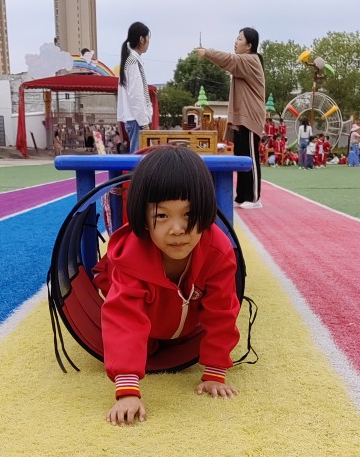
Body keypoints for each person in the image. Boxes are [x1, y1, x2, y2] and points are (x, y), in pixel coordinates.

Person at [94, 147, 240, 426]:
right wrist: (127, 391)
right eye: (162, 216)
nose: (178, 229)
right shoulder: (132, 256)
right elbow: (123, 317)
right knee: (134, 338)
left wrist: (215, 371)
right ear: (143, 218)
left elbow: (223, 310)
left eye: (189, 214)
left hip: (182, 322)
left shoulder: (217, 251)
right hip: (149, 316)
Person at [196, 28, 266, 208]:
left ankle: (254, 198)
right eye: (237, 38)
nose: (236, 41)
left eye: (240, 39)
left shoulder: (250, 60)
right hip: (243, 117)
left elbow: (229, 59)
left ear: (249, 45)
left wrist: (207, 52)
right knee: (241, 156)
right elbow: (229, 62)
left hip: (250, 116)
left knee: (250, 157)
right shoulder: (243, 62)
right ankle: (242, 196)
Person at [117, 21, 152, 156]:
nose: (148, 42)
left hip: (134, 119)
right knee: (139, 159)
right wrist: (144, 123)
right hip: (137, 120)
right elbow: (136, 95)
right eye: (148, 38)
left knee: (139, 158)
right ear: (142, 39)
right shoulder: (132, 62)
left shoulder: (130, 60)